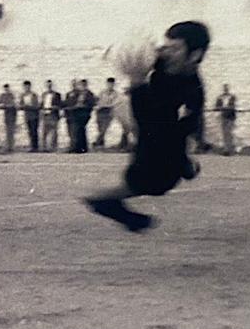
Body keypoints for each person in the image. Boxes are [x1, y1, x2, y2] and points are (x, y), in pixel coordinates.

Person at [83, 22, 207, 232]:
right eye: (166, 46)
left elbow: (159, 126)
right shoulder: (164, 62)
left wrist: (138, 83)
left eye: (174, 48)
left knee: (155, 177)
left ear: (194, 55)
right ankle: (106, 201)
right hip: (145, 124)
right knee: (146, 178)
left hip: (161, 136)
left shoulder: (192, 92)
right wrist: (123, 51)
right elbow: (134, 54)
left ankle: (107, 200)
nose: (166, 53)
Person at [71, 79, 96, 153]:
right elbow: (72, 102)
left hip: (84, 113)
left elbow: (91, 104)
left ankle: (81, 147)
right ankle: (79, 146)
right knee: (79, 130)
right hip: (77, 113)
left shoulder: (89, 94)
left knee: (80, 129)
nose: (82, 87)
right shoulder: (77, 93)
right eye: (81, 85)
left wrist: (83, 106)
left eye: (83, 85)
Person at [94, 78, 118, 149]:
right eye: (109, 84)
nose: (110, 85)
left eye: (112, 84)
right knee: (100, 128)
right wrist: (97, 106)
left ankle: (96, 143)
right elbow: (98, 101)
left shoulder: (115, 94)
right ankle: (101, 144)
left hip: (108, 112)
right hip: (100, 112)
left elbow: (114, 104)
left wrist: (104, 105)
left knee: (104, 128)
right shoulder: (102, 92)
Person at [214, 84, 237, 155]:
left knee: (229, 132)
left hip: (230, 116)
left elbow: (233, 106)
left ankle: (229, 149)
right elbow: (217, 107)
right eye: (225, 88)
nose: (226, 89)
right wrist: (220, 108)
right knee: (224, 133)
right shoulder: (220, 97)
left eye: (227, 88)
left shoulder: (232, 97)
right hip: (223, 116)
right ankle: (226, 149)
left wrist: (227, 108)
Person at [0, 83, 18, 153]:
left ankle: (11, 146)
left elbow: (13, 104)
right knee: (8, 131)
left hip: (12, 114)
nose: (6, 90)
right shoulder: (3, 95)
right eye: (5, 89)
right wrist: (2, 105)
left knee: (11, 130)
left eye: (7, 89)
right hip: (7, 114)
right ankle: (9, 146)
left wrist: (7, 105)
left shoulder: (11, 95)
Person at [41, 80, 62, 152]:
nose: (49, 87)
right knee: (44, 131)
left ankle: (53, 147)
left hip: (53, 114)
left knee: (54, 131)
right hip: (45, 114)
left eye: (50, 86)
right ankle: (44, 147)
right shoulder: (44, 94)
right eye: (48, 86)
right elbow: (42, 104)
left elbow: (60, 105)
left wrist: (54, 107)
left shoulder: (57, 95)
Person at [20, 81, 41, 152]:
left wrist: (29, 106)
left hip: (34, 116)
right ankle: (32, 146)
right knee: (30, 131)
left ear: (30, 86)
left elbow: (36, 105)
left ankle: (36, 147)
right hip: (27, 116)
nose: (26, 88)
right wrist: (22, 106)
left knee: (34, 131)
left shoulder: (33, 95)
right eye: (25, 87)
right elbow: (21, 104)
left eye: (27, 86)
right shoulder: (23, 95)